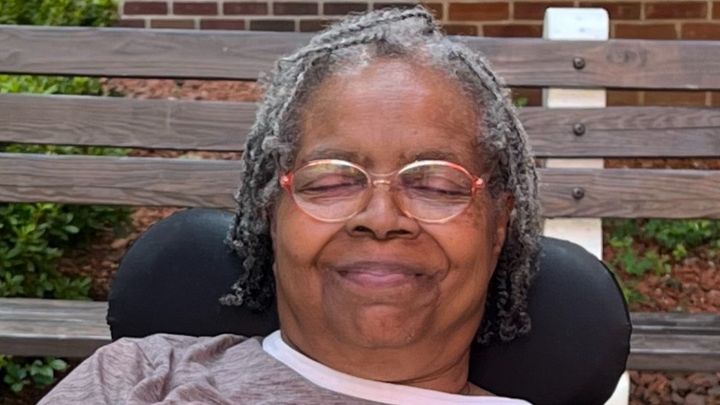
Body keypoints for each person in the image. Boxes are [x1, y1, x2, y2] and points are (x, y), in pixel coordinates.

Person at [40, 6, 540, 404]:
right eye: (331, 180)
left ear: (498, 225)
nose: (381, 218)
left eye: (435, 184)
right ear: (270, 212)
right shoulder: (135, 380)